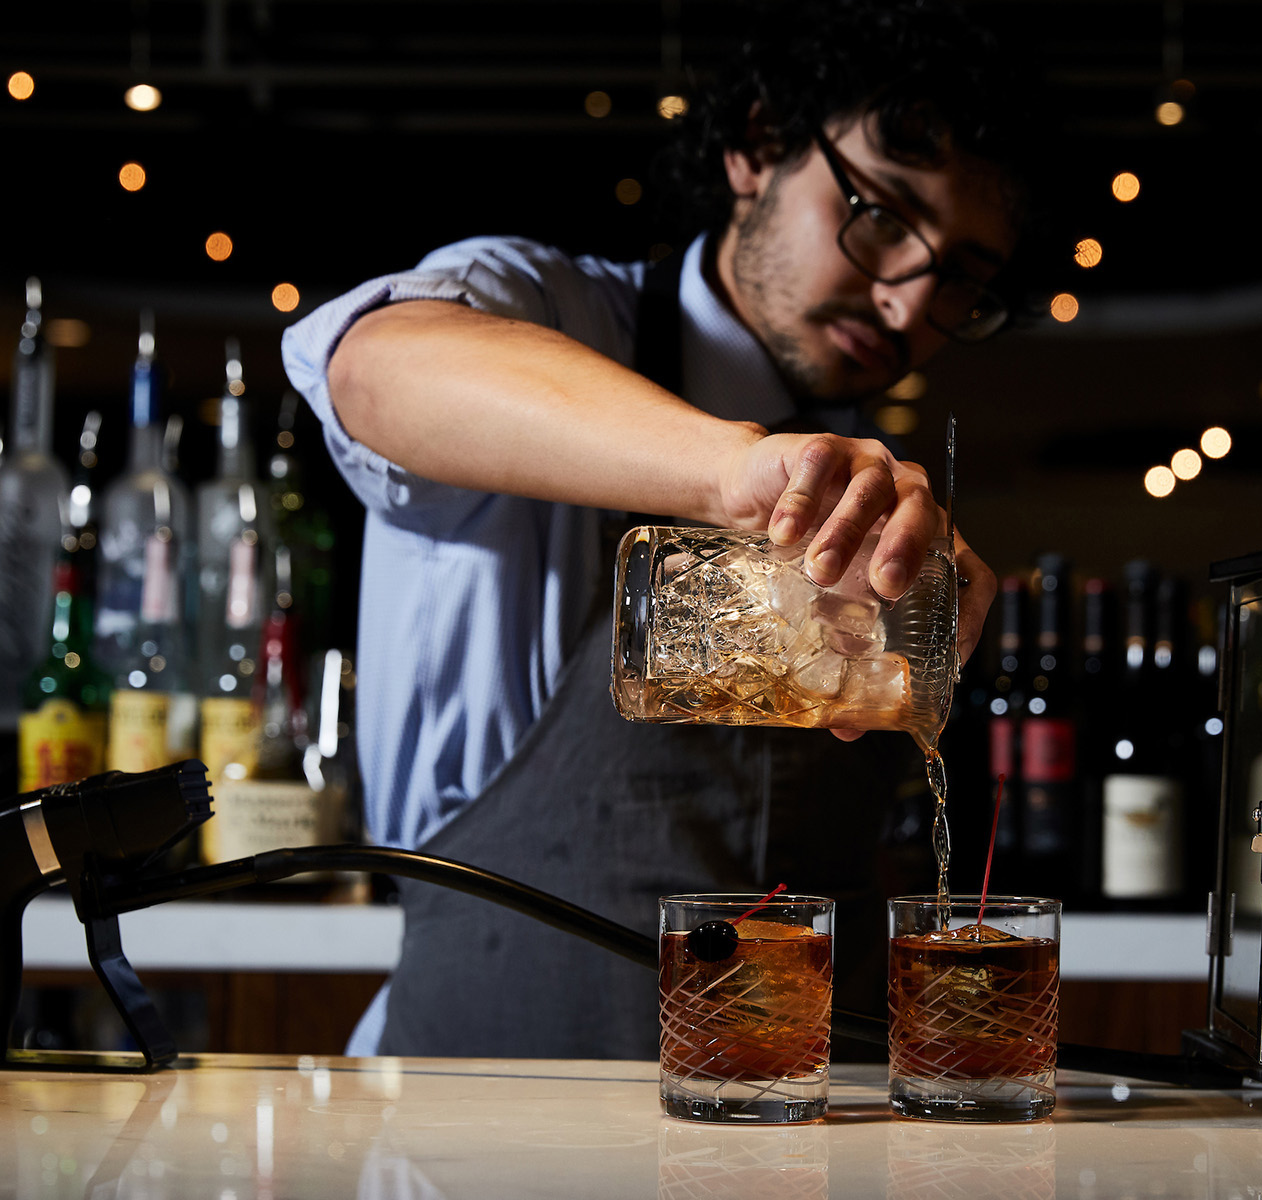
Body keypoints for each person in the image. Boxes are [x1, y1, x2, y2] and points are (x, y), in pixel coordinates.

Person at [282, 0, 1030, 1058]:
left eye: (959, 277)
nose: (909, 305)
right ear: (757, 148)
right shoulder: (548, 310)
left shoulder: (881, 502)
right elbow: (369, 366)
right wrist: (730, 471)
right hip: (488, 1095)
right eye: (880, 218)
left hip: (803, 1113)